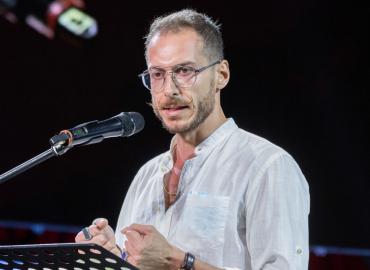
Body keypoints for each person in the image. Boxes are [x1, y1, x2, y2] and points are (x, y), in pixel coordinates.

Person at [75, 9, 310, 270]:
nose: (169, 90)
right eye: (157, 74)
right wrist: (114, 257)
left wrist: (178, 262)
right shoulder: (146, 176)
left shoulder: (267, 166)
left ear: (221, 75)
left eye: (184, 70)